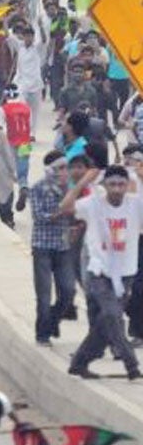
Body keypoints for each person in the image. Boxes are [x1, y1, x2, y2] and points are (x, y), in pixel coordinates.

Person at [58, 165, 143, 380]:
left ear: (127, 186)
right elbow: (66, 208)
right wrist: (83, 182)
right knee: (113, 316)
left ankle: (79, 363)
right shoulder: (93, 205)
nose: (116, 189)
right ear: (105, 185)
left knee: (105, 322)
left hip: (125, 274)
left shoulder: (135, 204)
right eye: (112, 184)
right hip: (100, 272)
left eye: (121, 184)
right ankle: (132, 365)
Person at [29, 153, 76, 346]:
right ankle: (42, 334)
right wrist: (61, 212)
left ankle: (52, 321)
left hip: (63, 246)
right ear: (51, 169)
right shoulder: (38, 188)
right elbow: (39, 216)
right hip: (42, 246)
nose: (65, 172)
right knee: (44, 294)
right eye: (61, 168)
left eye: (67, 167)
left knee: (68, 291)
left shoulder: (71, 189)